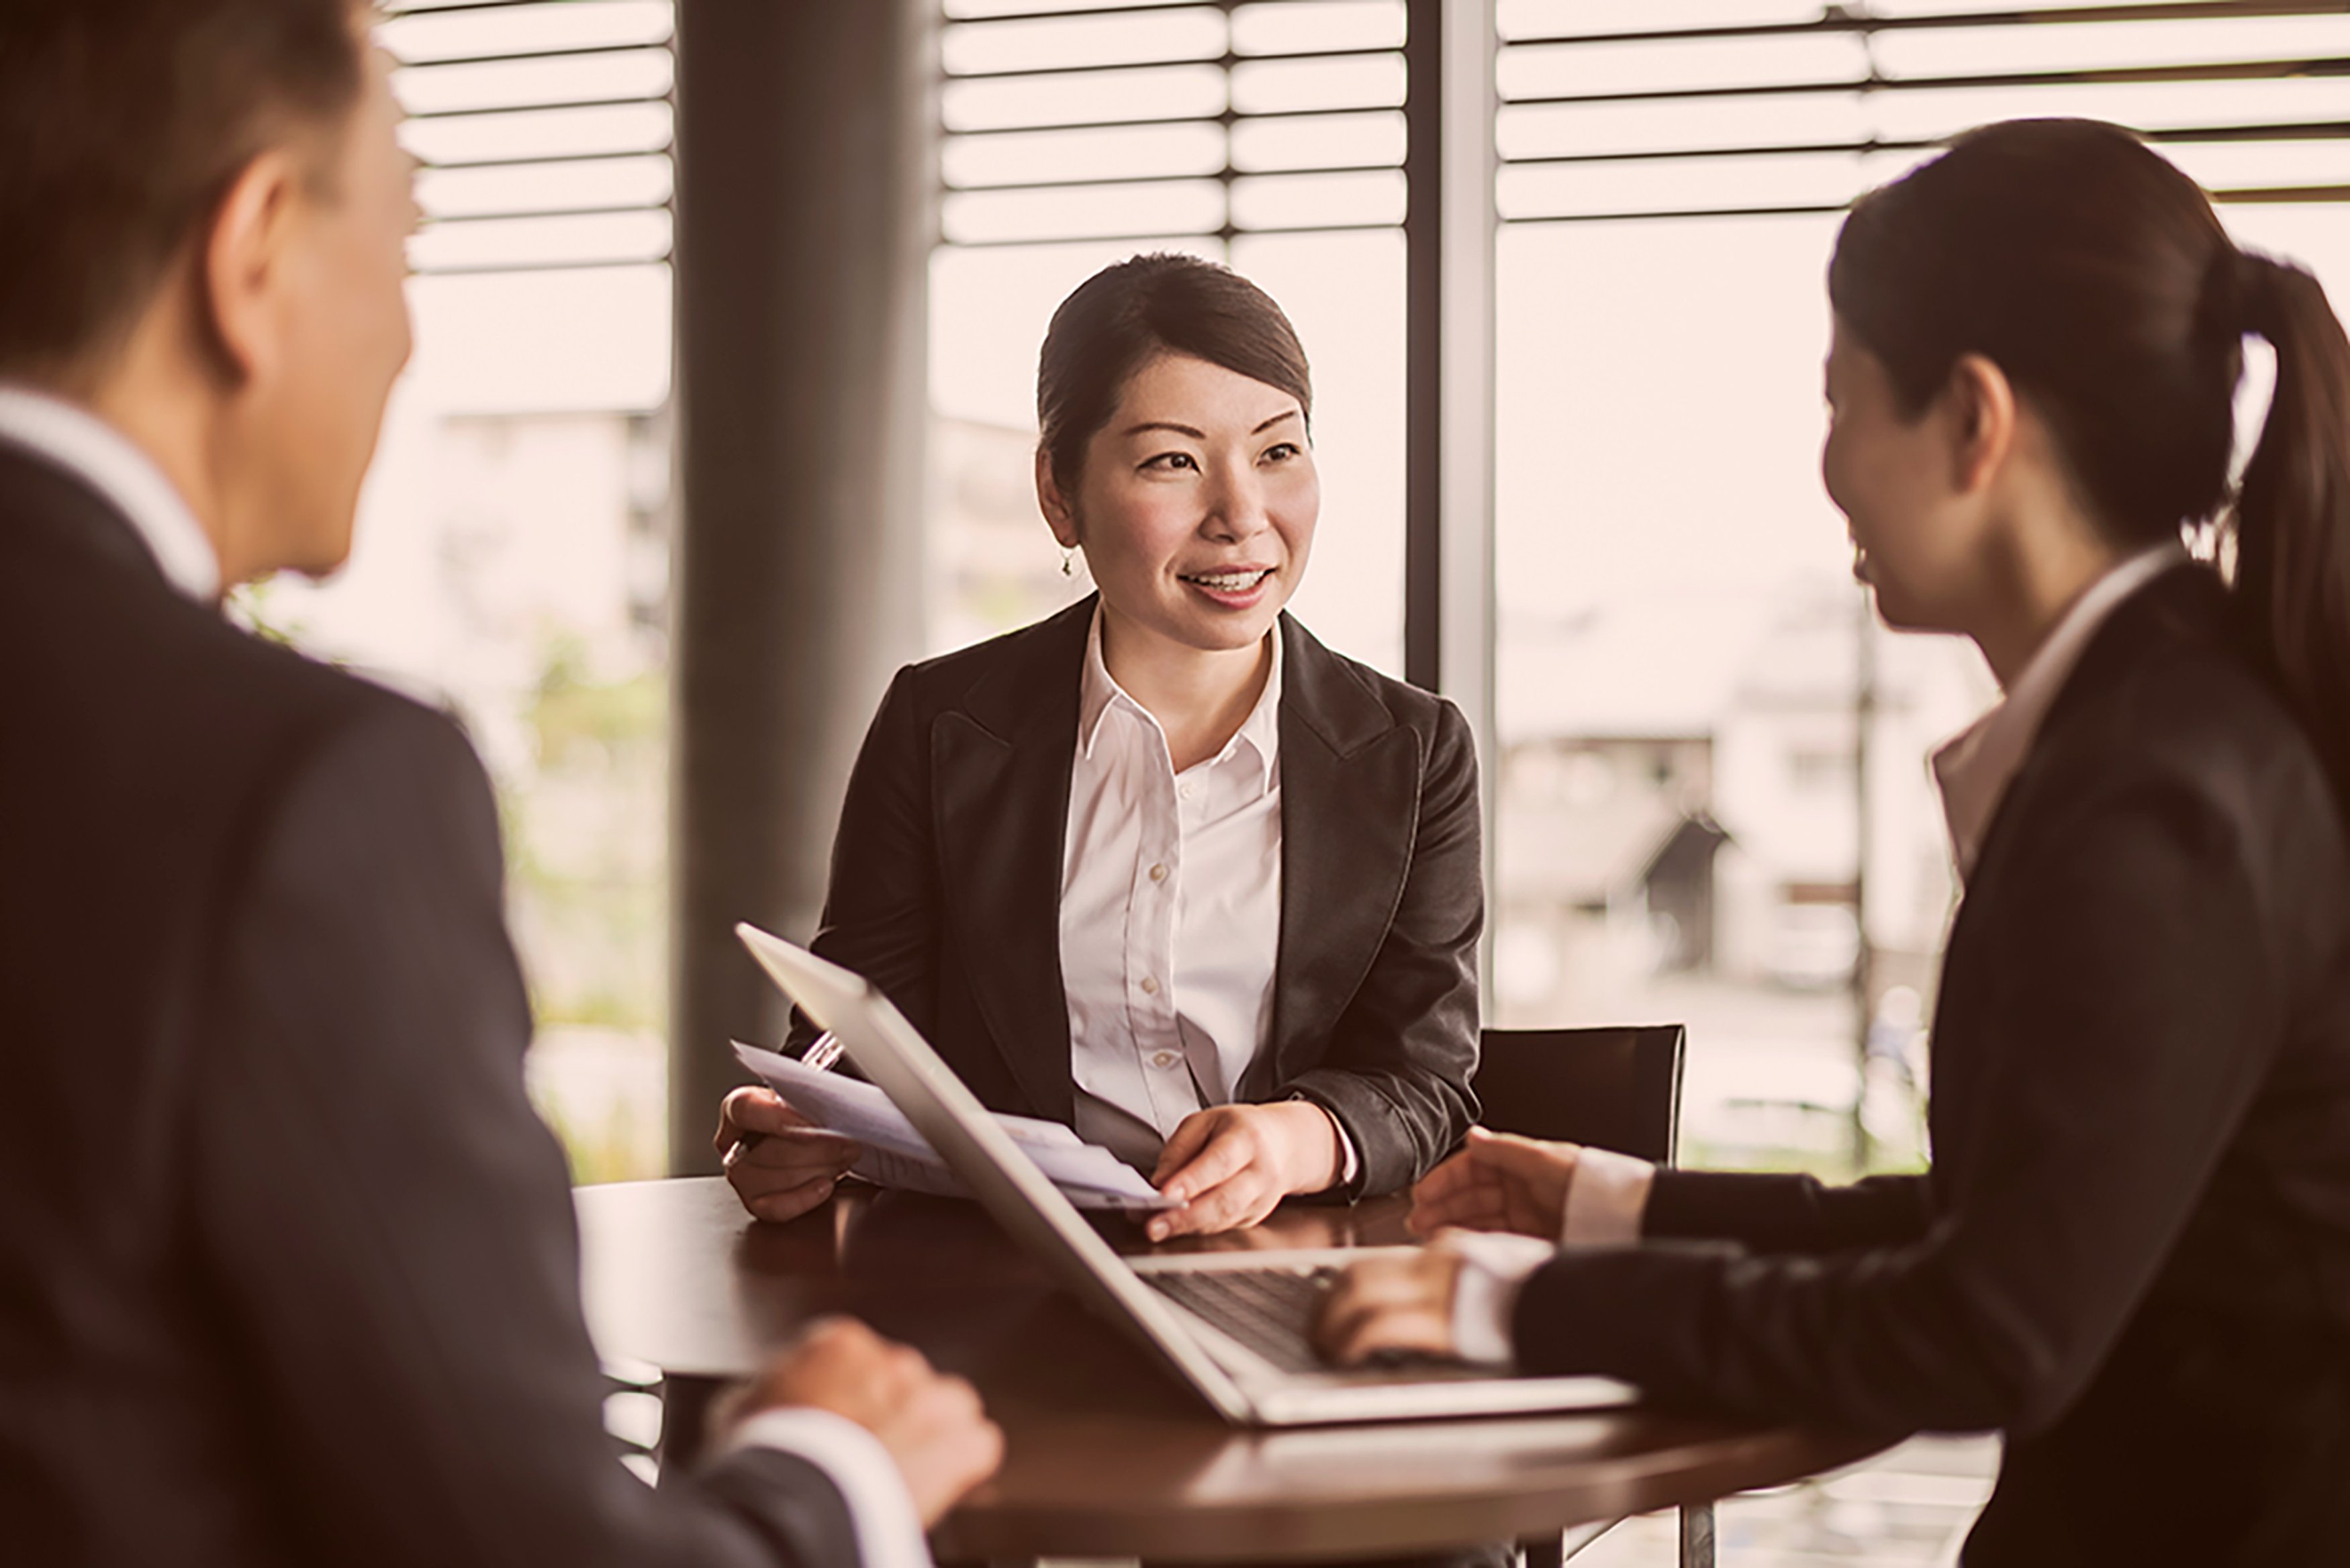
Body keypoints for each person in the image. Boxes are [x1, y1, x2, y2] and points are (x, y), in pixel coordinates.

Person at [0, 3, 998, 1565]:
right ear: (254, 249)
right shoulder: (303, 789)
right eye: (404, 245)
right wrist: (831, 1473)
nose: (404, 334)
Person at [1317, 119, 2350, 1564]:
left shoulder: (2154, 792)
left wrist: (1513, 1307)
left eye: (1842, 401)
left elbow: (1991, 1326)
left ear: (1973, 421)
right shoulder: (2174, 723)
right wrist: (1613, 1206)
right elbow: (2016, 1222)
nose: (1829, 467)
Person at [719, 254, 1481, 1242]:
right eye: (1173, 460)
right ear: (1060, 493)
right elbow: (857, 1031)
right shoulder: (940, 723)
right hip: (995, 1277)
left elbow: (1424, 1081)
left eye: (1277, 453)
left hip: (1286, 1273)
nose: (1242, 516)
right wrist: (794, 1121)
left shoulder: (1414, 753)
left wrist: (1292, 1140)